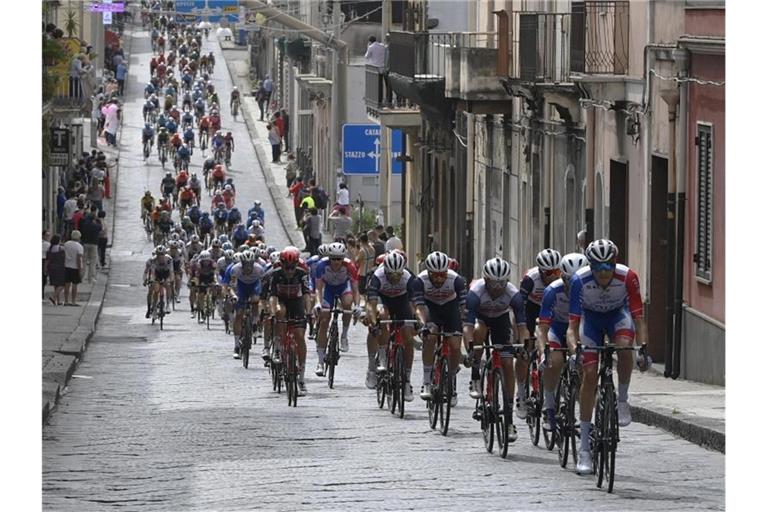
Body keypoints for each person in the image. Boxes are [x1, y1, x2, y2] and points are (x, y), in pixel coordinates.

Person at [568, 239, 649, 475]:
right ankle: (584, 449)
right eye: (598, 268)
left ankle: (622, 400)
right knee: (590, 376)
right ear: (590, 266)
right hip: (590, 321)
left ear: (615, 263)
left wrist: (643, 347)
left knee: (625, 348)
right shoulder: (579, 280)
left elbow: (639, 319)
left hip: (617, 317)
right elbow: (572, 327)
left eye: (609, 266)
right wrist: (575, 351)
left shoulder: (628, 277)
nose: (604, 273)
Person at [463, 257, 527, 440]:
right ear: (486, 279)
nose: (498, 287)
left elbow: (521, 325)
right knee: (478, 332)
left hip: (501, 320)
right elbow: (467, 326)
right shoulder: (475, 293)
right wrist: (469, 346)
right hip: (481, 319)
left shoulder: (513, 294)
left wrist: (521, 344)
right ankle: (476, 374)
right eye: (493, 282)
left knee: (507, 362)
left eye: (501, 283)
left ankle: (508, 416)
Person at [537, 252, 587, 434]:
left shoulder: (591, 290)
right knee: (555, 361)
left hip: (579, 329)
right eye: (569, 280)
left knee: (585, 366)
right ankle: (549, 408)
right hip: (556, 329)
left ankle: (585, 414)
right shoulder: (552, 291)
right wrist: (544, 353)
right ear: (562, 277)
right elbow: (542, 327)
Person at [411, 251, 467, 403]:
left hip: (450, 309)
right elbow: (420, 308)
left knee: (455, 344)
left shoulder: (456, 280)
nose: (438, 279)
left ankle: (452, 381)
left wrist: (463, 322)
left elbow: (463, 306)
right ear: (428, 272)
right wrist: (424, 324)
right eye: (434, 275)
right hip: (431, 309)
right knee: (430, 336)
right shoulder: (420, 281)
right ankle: (427, 381)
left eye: (442, 275)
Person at [363, 251, 417, 399]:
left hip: (402, 302)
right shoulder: (377, 277)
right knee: (381, 316)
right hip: (383, 301)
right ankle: (374, 367)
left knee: (408, 336)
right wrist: (373, 322)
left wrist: (417, 321)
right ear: (385, 270)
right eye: (391, 275)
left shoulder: (409, 277)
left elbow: (415, 304)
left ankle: (406, 381)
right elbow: (371, 305)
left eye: (397, 275)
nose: (394, 278)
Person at [268, 247, 314, 396]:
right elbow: (273, 297)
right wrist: (273, 312)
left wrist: (308, 312)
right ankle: (278, 346)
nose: (289, 271)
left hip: (296, 301)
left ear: (296, 265)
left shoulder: (302, 273)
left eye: (292, 267)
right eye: (286, 267)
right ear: (281, 265)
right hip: (281, 300)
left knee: (300, 336)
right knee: (280, 313)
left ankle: (301, 377)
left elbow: (307, 295)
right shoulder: (275, 275)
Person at [313, 242, 361, 373]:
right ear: (329, 258)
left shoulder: (349, 266)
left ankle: (344, 335)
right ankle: (320, 362)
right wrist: (318, 303)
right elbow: (318, 289)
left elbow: (356, 290)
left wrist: (357, 306)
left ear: (343, 258)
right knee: (324, 322)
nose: (336, 262)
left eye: (339, 258)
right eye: (333, 258)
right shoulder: (321, 265)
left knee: (347, 303)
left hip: (343, 287)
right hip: (328, 289)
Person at [364, 35, 390, 105]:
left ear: (369, 41)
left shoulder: (371, 47)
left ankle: (378, 100)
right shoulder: (382, 46)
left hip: (375, 69)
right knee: (384, 85)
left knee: (377, 86)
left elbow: (367, 56)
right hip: (383, 67)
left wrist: (367, 47)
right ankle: (385, 100)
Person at [63, 230, 84, 306]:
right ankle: (73, 301)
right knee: (75, 285)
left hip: (66, 266)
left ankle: (66, 300)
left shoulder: (66, 244)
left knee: (67, 285)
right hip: (75, 267)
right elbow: (79, 259)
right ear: (78, 237)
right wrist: (80, 269)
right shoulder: (79, 246)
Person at [80, 211, 101, 283]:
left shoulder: (84, 225)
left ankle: (81, 277)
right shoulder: (96, 226)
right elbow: (101, 228)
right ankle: (90, 278)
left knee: (84, 261)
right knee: (93, 261)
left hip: (85, 243)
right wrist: (98, 221)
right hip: (94, 244)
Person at [46, 235, 66, 306]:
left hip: (51, 268)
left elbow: (47, 260)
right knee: (62, 284)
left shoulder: (49, 249)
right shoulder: (61, 249)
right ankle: (53, 297)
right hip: (60, 268)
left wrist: (45, 268)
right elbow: (64, 259)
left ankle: (57, 301)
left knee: (55, 285)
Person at [42, 231, 51, 299]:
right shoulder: (48, 244)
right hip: (44, 260)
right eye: (47, 235)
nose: (48, 237)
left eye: (49, 235)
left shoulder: (48, 244)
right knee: (43, 279)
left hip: (45, 260)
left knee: (43, 279)